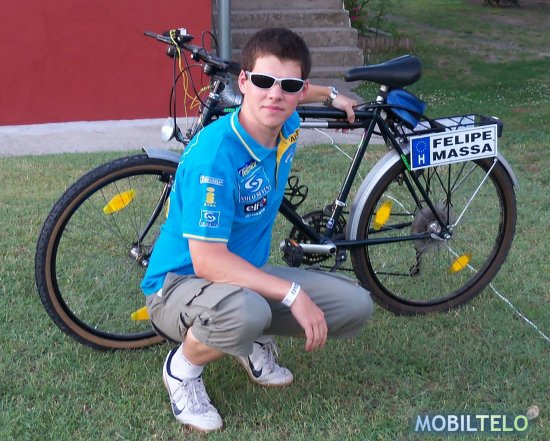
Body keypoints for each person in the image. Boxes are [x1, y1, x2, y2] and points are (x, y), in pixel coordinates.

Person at [141, 27, 373, 432]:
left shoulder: (287, 123)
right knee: (248, 311)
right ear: (244, 82)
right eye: (264, 81)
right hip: (178, 285)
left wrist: (333, 95)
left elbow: (298, 90)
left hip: (245, 276)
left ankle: (248, 339)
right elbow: (207, 262)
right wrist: (292, 293)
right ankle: (182, 369)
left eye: (289, 86)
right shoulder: (215, 156)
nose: (275, 95)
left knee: (355, 306)